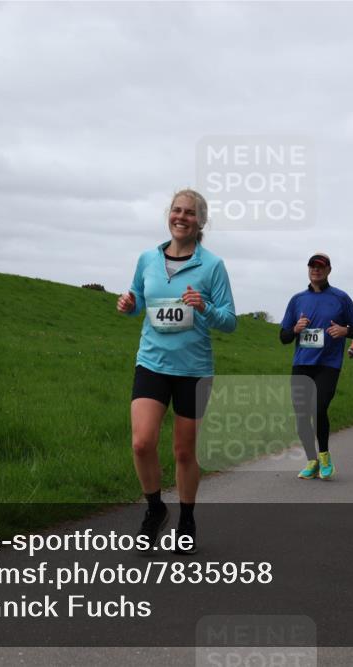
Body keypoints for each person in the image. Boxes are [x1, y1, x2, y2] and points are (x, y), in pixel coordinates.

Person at [117, 189, 236, 555]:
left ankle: (186, 518)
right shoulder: (147, 258)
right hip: (152, 362)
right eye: (176, 210)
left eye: (189, 213)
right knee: (142, 442)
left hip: (194, 369)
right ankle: (155, 509)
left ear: (200, 222)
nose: (181, 217)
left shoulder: (212, 266)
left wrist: (205, 308)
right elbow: (138, 299)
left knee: (184, 453)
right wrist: (129, 304)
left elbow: (230, 321)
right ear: (169, 215)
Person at [280, 253, 353, 480]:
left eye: (320, 267)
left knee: (318, 409)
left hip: (328, 364)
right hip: (302, 364)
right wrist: (295, 329)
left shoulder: (340, 298)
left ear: (328, 270)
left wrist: (346, 331)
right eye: (312, 266)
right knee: (301, 415)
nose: (315, 270)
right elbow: (283, 336)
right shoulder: (297, 300)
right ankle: (312, 460)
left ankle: (325, 455)